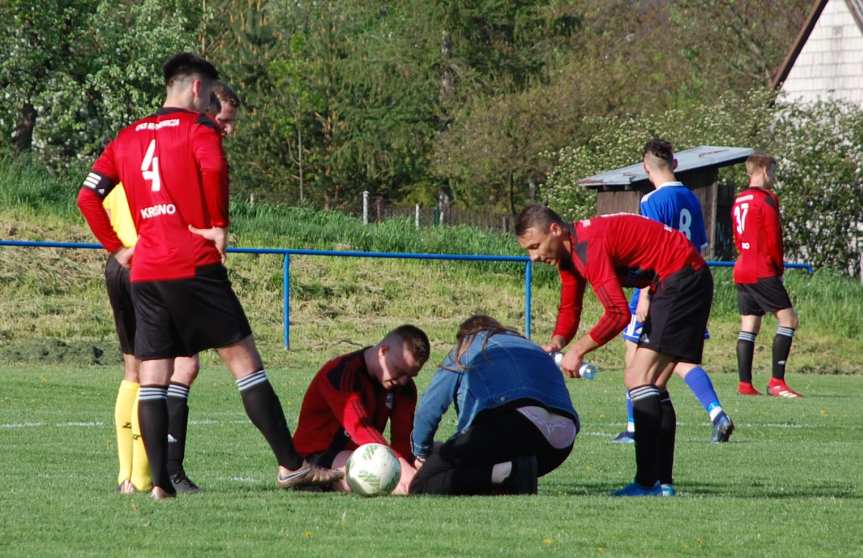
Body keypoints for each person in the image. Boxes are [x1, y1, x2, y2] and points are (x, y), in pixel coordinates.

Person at [77, 52, 341, 499]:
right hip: (193, 266)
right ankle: (292, 465)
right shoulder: (198, 128)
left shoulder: (127, 136)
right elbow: (215, 168)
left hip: (146, 272)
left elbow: (87, 196)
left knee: (154, 376)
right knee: (245, 364)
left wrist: (119, 249)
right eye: (209, 92)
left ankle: (160, 484)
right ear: (197, 88)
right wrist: (218, 224)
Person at [102, 80, 244, 495]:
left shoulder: (141, 139)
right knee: (178, 368)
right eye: (224, 120)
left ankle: (132, 478)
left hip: (128, 262)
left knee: (137, 371)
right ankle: (165, 475)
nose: (227, 131)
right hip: (160, 264)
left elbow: (101, 194)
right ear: (200, 104)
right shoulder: (187, 145)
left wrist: (119, 246)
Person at [516, 205, 714, 497]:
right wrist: (558, 342)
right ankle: (663, 484)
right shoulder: (570, 255)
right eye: (528, 251)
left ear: (555, 231)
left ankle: (647, 484)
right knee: (653, 384)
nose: (534, 256)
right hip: (679, 279)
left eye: (535, 246)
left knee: (637, 378)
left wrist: (578, 351)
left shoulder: (588, 246)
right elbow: (570, 306)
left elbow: (618, 313)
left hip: (681, 278)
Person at [614, 139, 733, 444]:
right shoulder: (693, 200)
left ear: (645, 167)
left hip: (661, 287)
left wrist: (645, 296)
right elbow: (699, 249)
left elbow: (651, 250)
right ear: (676, 164)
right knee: (681, 360)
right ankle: (716, 412)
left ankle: (633, 428)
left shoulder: (651, 201)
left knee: (635, 357)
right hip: (693, 285)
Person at [410, 315, 578, 496]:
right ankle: (510, 473)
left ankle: (508, 472)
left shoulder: (467, 345)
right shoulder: (532, 347)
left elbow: (430, 408)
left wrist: (421, 452)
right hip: (561, 442)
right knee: (480, 468)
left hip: (514, 422)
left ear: (465, 334)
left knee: (422, 485)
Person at [292, 325, 430, 495]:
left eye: (410, 375)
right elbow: (360, 429)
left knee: (436, 451)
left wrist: (410, 463)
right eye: (400, 370)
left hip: (363, 453)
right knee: (388, 477)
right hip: (317, 456)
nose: (403, 380)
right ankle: (307, 479)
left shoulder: (405, 388)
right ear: (383, 351)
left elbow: (403, 437)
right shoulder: (341, 373)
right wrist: (402, 469)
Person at [732, 154, 802, 398]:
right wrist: (778, 271)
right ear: (761, 169)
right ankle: (777, 382)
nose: (774, 176)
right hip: (761, 268)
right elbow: (774, 239)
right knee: (789, 321)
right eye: (772, 171)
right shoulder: (767, 199)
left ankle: (744, 384)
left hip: (742, 267)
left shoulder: (739, 199)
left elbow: (737, 239)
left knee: (749, 324)